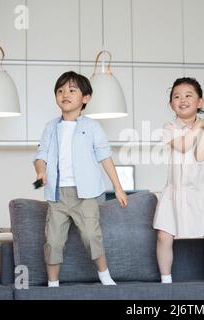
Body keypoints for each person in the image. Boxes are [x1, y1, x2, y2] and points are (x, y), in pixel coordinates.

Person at [33, 71, 128, 287]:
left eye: (72, 90)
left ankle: (105, 277)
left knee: (91, 236)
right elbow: (40, 156)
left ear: (86, 98)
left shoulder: (92, 127)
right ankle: (53, 284)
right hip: (57, 195)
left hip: (86, 194)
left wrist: (119, 188)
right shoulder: (50, 127)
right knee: (53, 241)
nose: (65, 94)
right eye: (60, 90)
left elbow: (105, 157)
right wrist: (41, 171)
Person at [153, 77, 204, 283]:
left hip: (201, 191)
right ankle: (166, 283)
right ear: (171, 105)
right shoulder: (169, 127)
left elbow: (200, 155)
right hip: (174, 191)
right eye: (177, 96)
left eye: (188, 95)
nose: (182, 100)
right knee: (163, 237)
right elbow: (183, 146)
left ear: (200, 102)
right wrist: (199, 127)